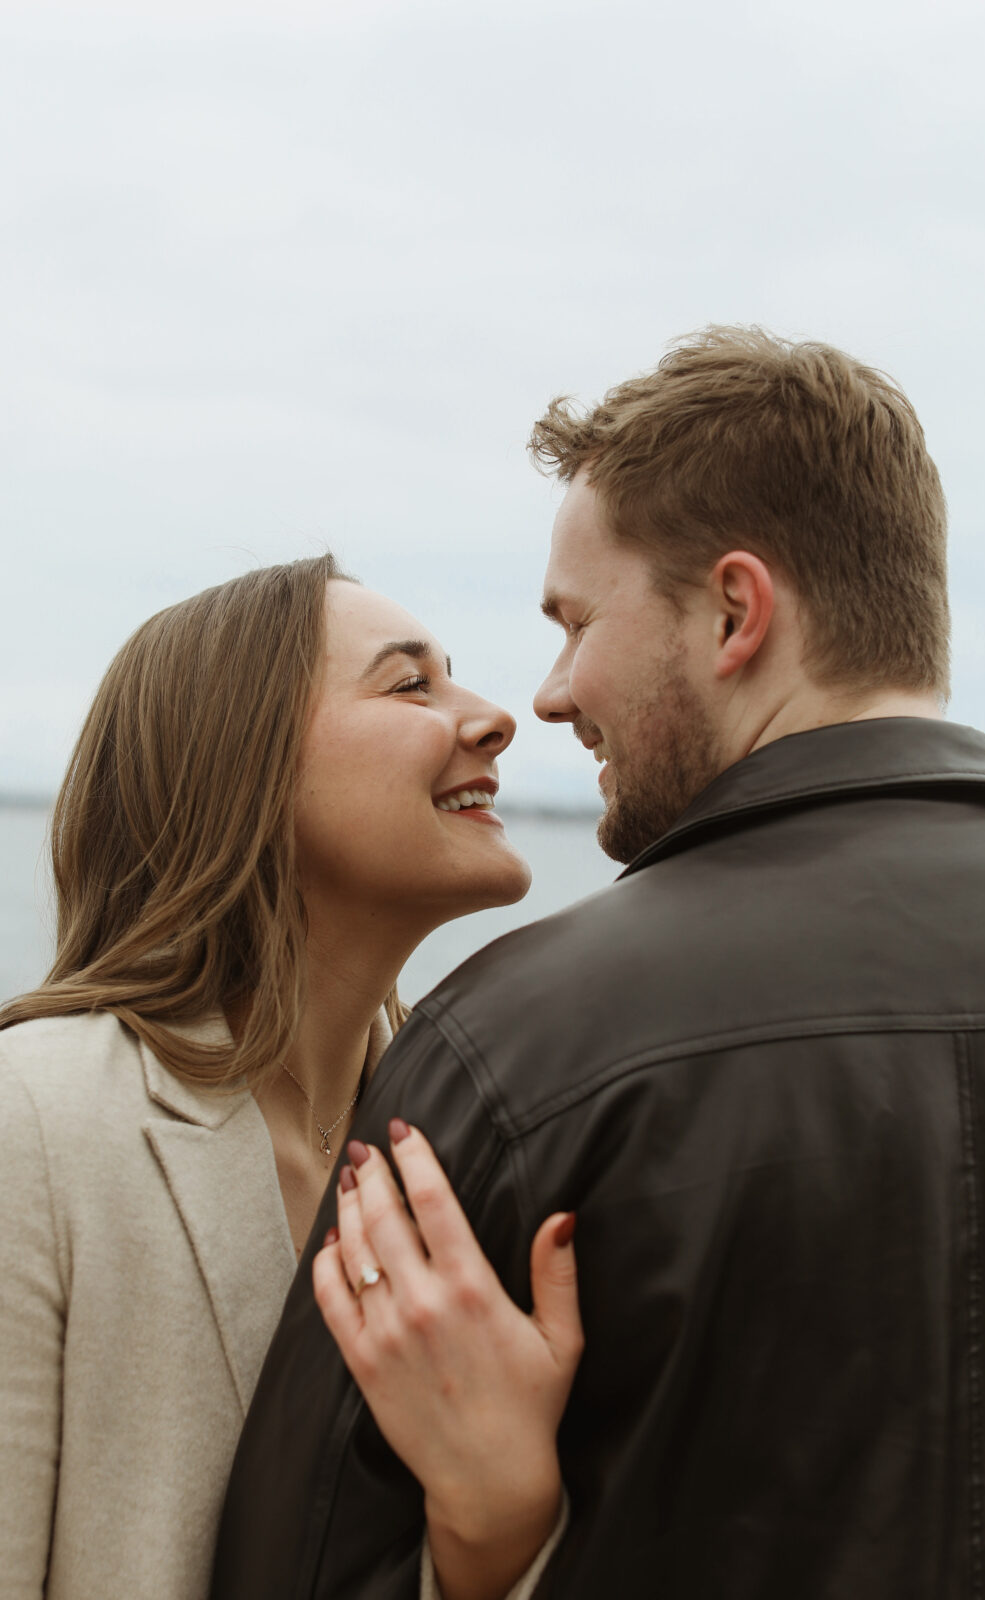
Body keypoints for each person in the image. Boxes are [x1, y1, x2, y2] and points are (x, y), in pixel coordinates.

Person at [213, 327, 985, 1598]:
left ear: (733, 612)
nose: (545, 696)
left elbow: (300, 1572)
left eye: (575, 622)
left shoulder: (516, 1043)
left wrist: (496, 1530)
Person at [0, 556, 584, 1600]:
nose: (496, 716)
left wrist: (496, 1529)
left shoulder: (450, 1162)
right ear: (243, 764)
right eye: (411, 684)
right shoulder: (31, 1120)